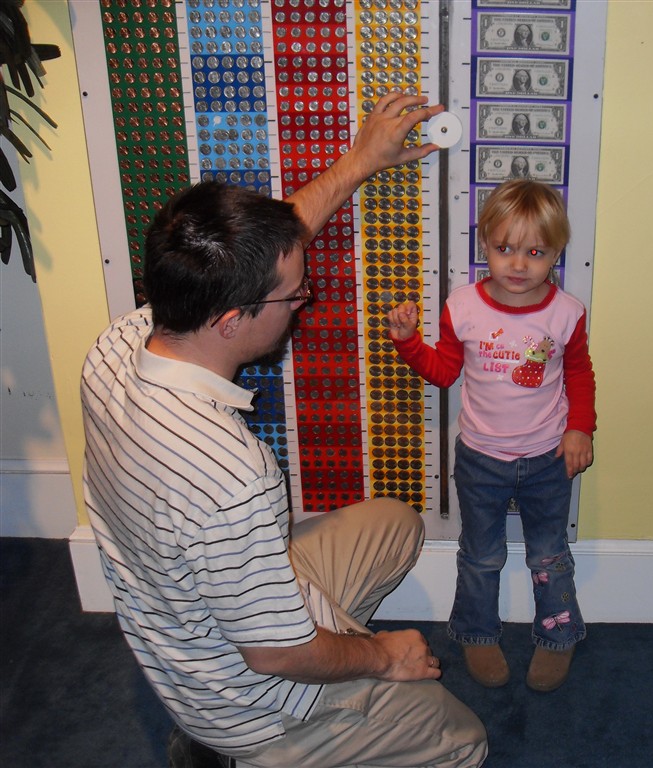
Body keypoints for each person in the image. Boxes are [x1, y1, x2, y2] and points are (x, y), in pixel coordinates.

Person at [81, 91, 487, 768]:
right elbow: (276, 652)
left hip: (189, 616)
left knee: (394, 526)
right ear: (231, 320)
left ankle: (302, 645)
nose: (303, 302)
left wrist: (360, 161)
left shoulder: (118, 344)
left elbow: (265, 247)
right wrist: (381, 654)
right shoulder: (230, 475)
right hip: (251, 694)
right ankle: (247, 751)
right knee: (463, 743)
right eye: (294, 295)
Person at [387, 180, 595, 693]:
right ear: (484, 245)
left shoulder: (566, 313)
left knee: (548, 554)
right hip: (481, 459)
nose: (519, 264)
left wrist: (579, 429)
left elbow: (579, 374)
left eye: (535, 252)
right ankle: (476, 633)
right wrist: (409, 342)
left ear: (556, 253)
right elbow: (444, 373)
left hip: (549, 457)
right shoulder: (462, 307)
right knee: (481, 555)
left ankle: (558, 634)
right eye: (505, 249)